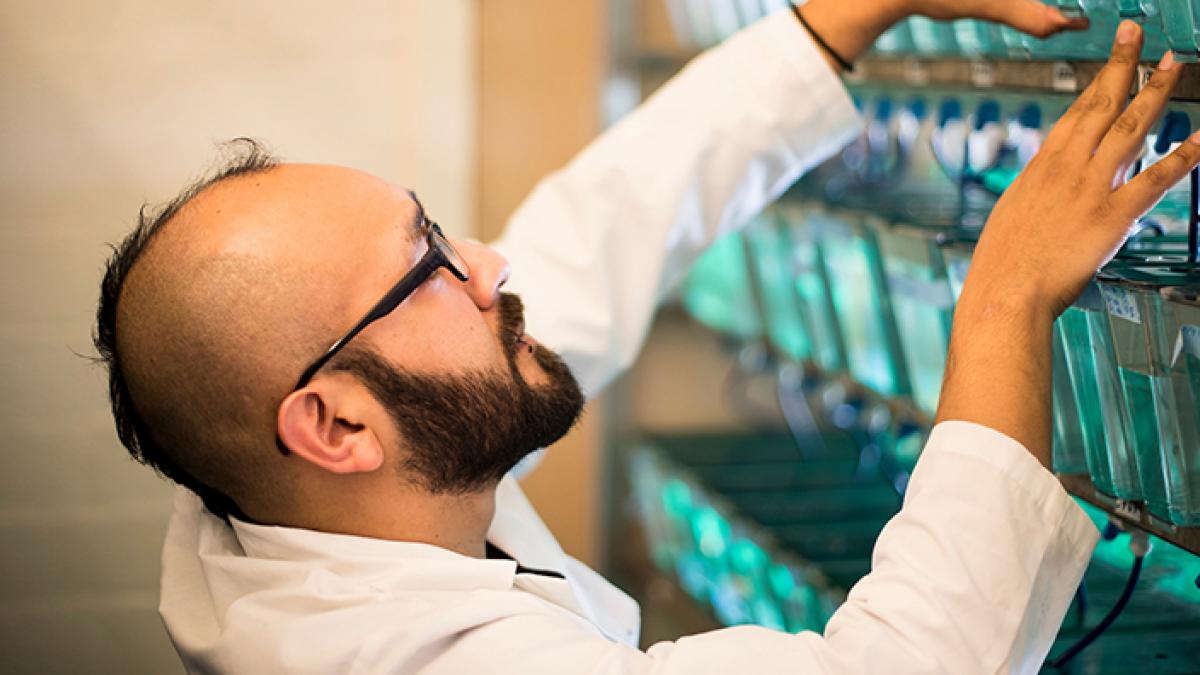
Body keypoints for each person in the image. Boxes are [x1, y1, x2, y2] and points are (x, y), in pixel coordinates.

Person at [93, 0, 1197, 671]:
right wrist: (1004, 298)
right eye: (432, 263)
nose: (493, 264)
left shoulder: (301, 490)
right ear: (335, 425)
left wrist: (843, 20)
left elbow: (603, 228)